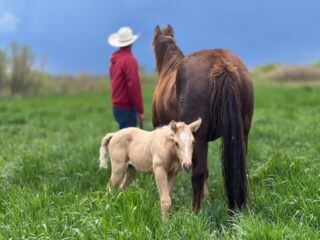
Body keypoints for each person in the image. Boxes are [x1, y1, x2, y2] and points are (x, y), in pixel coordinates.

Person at [108, 27, 144, 129]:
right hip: (127, 108)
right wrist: (140, 110)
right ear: (131, 43)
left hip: (116, 107)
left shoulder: (114, 60)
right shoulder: (130, 60)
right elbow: (134, 86)